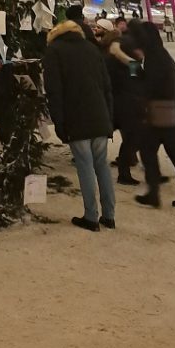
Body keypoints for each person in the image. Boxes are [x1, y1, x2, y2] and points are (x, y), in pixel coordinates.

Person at [44, 19, 116, 231]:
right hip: (100, 115)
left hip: (76, 116)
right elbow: (106, 86)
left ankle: (91, 216)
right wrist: (108, 116)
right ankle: (109, 215)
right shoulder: (92, 49)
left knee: (85, 165)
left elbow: (54, 91)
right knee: (101, 165)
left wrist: (59, 122)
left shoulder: (54, 51)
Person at [128, 20, 175, 210]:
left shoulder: (155, 58)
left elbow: (146, 84)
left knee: (148, 151)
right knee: (171, 152)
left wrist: (134, 67)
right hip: (170, 111)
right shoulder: (160, 55)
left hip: (160, 112)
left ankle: (155, 193)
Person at [94, 22, 145, 185]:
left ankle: (125, 164)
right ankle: (124, 171)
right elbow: (136, 73)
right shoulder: (117, 56)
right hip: (126, 99)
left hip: (115, 98)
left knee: (124, 133)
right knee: (133, 135)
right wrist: (132, 60)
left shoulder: (104, 53)